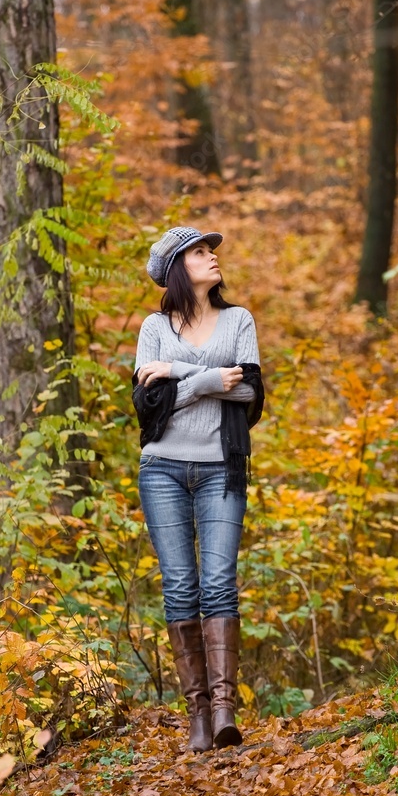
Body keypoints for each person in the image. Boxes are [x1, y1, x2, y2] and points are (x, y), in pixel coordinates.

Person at [132, 226, 264, 752]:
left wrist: (180, 372)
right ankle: (198, 717)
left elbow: (251, 393)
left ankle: (225, 711)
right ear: (177, 270)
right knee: (181, 587)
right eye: (201, 252)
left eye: (212, 252)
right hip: (161, 469)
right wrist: (211, 381)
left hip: (220, 470)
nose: (213, 258)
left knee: (218, 584)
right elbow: (148, 406)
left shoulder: (239, 320)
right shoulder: (153, 327)